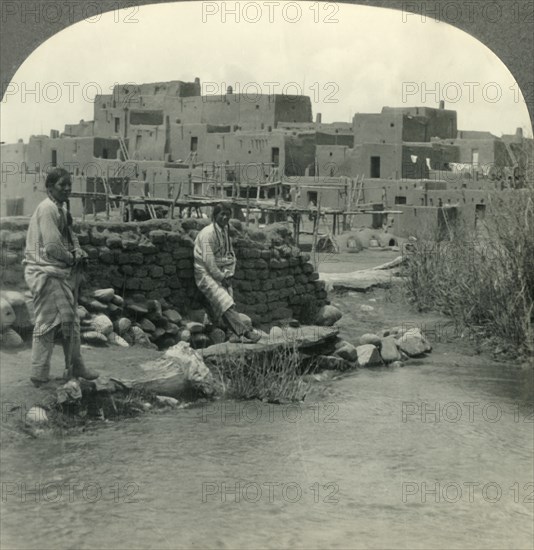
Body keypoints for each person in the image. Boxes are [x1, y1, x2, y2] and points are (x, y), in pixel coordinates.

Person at [24, 168, 99, 387]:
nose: (67, 188)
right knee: (47, 323)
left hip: (55, 271)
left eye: (69, 184)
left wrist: (78, 251)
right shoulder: (47, 209)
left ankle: (75, 365)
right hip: (45, 272)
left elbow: (70, 236)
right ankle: (39, 374)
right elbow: (52, 247)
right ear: (49, 188)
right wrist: (71, 259)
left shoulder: (61, 208)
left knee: (71, 321)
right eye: (61, 185)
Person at [194, 203, 261, 343]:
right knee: (225, 301)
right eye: (221, 214)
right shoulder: (208, 233)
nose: (225, 217)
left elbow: (229, 254)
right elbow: (208, 261)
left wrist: (228, 273)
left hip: (221, 272)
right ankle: (245, 333)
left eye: (227, 214)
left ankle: (232, 334)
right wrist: (220, 277)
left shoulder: (224, 231)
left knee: (228, 300)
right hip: (205, 273)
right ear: (215, 215)